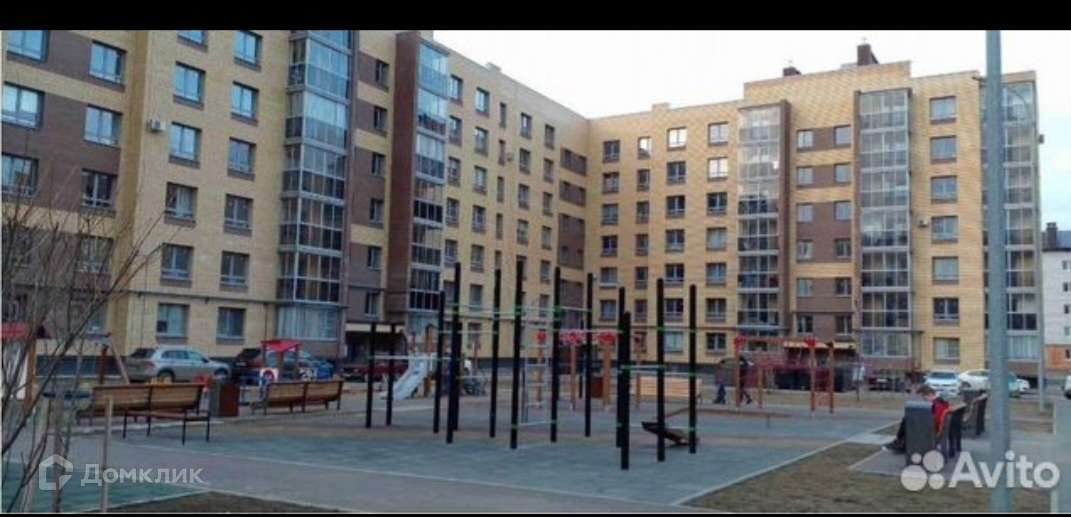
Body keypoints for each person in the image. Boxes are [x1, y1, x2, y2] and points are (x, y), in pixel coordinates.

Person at [883, 384, 950, 454]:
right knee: (908, 421)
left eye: (925, 397)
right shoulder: (939, 403)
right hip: (934, 428)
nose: (925, 400)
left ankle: (900, 443)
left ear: (930, 394)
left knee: (907, 422)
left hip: (932, 431)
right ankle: (899, 443)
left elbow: (934, 420)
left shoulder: (937, 404)